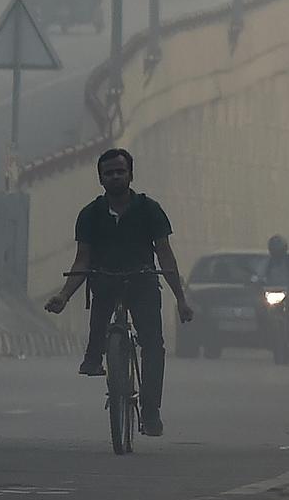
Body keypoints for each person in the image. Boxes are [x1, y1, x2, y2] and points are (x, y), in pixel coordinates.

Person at [44, 149, 194, 437]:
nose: (115, 177)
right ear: (101, 179)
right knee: (99, 319)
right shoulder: (90, 215)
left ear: (130, 175)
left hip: (143, 282)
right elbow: (82, 260)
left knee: (153, 345)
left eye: (120, 171)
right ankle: (93, 358)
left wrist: (181, 300)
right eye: (109, 173)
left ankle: (150, 410)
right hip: (105, 280)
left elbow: (165, 255)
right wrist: (63, 296)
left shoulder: (150, 210)